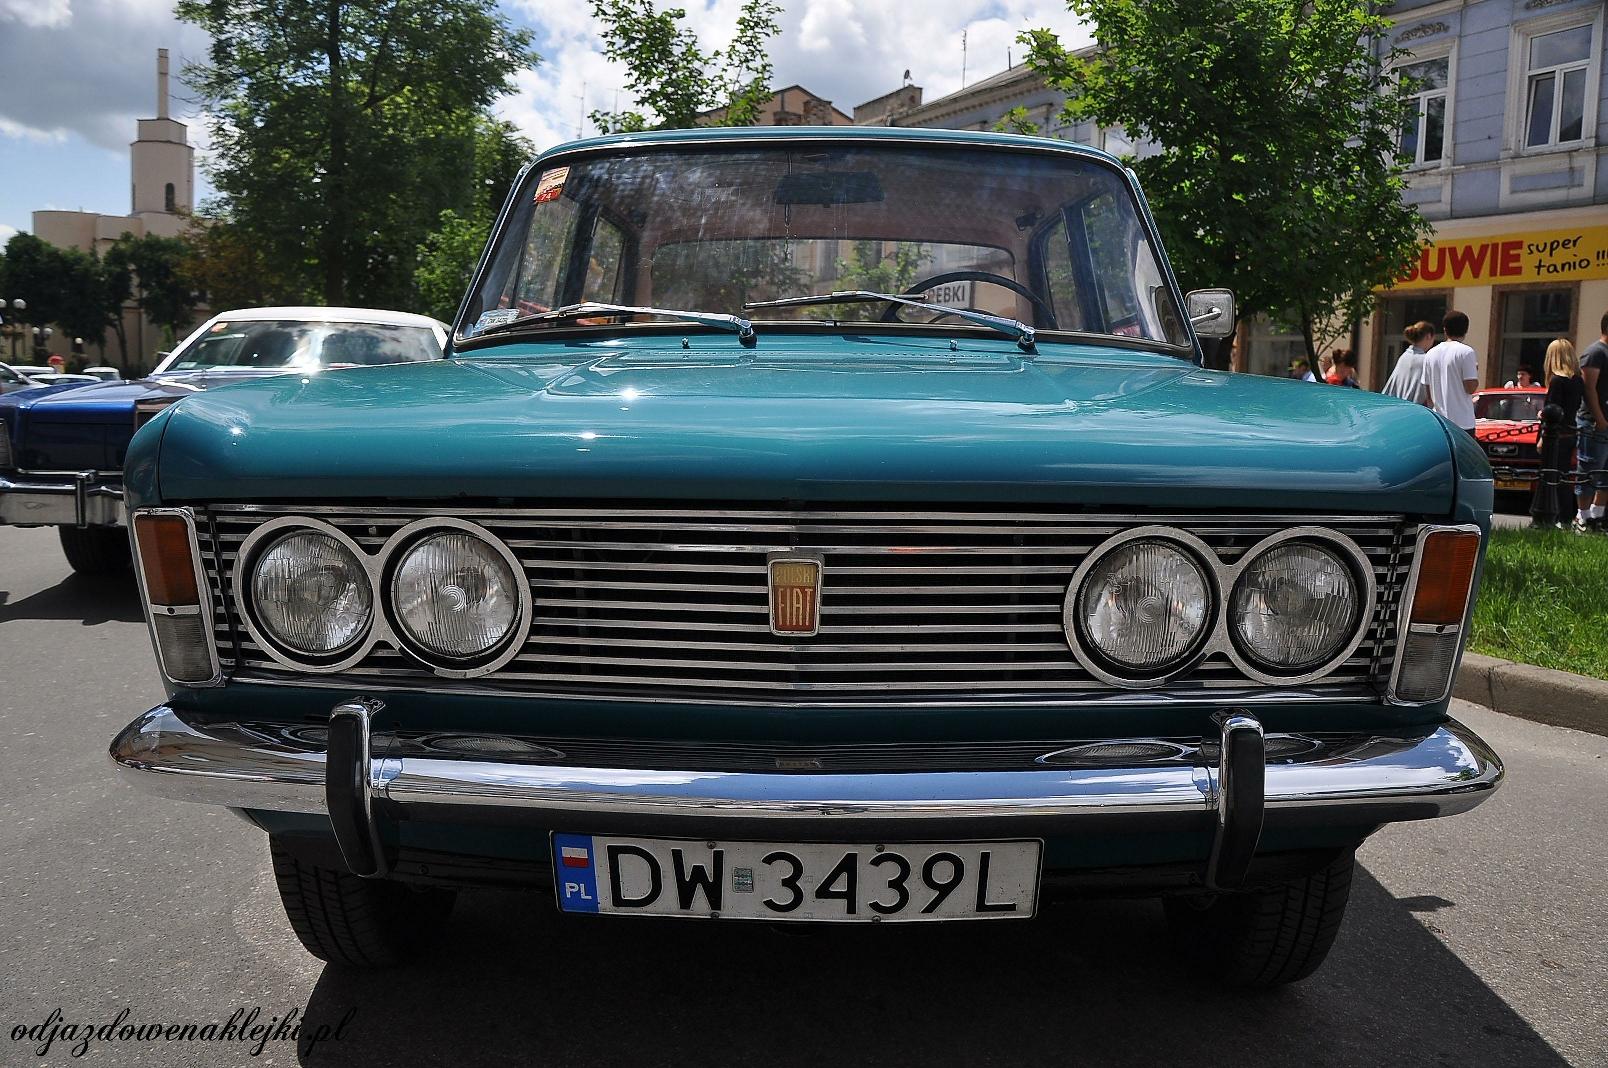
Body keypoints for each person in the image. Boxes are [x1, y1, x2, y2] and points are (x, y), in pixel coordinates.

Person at [1531, 339, 1582, 528]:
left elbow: (1553, 410)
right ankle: (1566, 518)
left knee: (1550, 478)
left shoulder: (1557, 381)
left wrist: (1542, 437)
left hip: (1556, 436)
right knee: (1564, 478)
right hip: (1570, 433)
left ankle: (1549, 518)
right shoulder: (1577, 380)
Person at [1574, 311, 1608, 533]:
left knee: (1605, 474)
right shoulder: (1595, 352)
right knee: (1589, 470)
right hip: (1594, 424)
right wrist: (1600, 419)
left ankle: (1597, 517)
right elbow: (1588, 388)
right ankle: (1582, 518)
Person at [1422, 310, 1480, 434]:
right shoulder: (1466, 352)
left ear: (1445, 329)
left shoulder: (1430, 354)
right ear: (1466, 330)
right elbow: (1470, 388)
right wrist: (1475, 371)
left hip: (1439, 422)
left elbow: (1429, 395)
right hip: (1462, 423)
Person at [1383, 321, 1435, 405]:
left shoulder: (1403, 357)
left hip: (1397, 407)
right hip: (1414, 409)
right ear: (1428, 336)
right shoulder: (1426, 360)